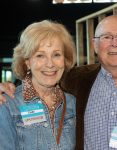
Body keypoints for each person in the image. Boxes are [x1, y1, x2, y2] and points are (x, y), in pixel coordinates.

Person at [0, 15, 117, 150]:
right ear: (95, 45)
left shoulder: (69, 101)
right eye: (106, 37)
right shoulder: (9, 104)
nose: (50, 64)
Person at [0, 20, 76, 150]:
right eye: (40, 56)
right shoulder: (8, 104)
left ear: (65, 59)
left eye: (56, 55)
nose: (50, 64)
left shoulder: (72, 102)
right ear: (27, 62)